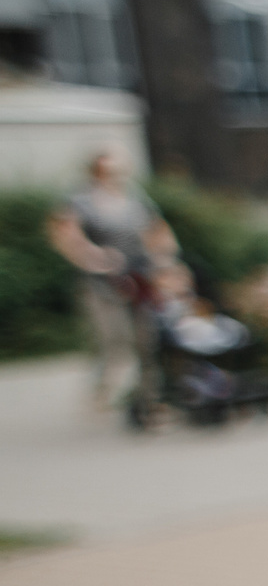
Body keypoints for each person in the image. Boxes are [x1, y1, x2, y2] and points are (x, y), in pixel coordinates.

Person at [47, 148, 176, 416]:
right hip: (101, 281)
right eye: (107, 171)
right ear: (95, 172)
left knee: (147, 336)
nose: (114, 176)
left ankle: (147, 395)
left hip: (138, 275)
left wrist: (164, 257)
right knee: (114, 339)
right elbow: (66, 236)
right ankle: (103, 390)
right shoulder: (80, 200)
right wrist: (94, 257)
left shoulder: (135, 199)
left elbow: (158, 230)